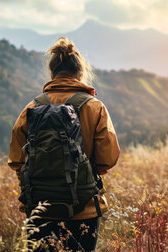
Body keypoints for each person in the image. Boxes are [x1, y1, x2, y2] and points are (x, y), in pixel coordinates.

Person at [8, 36, 120, 251]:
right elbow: (108, 159)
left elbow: (16, 160)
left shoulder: (31, 108)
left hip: (40, 208)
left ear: (52, 74)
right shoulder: (95, 107)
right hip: (84, 208)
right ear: (80, 74)